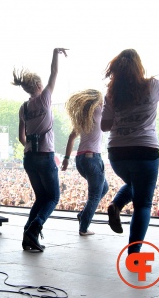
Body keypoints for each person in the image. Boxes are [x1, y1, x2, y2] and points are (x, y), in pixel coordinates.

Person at [100, 48, 159, 255]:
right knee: (143, 204)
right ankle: (134, 254)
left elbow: (104, 126)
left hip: (117, 154)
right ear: (138, 66)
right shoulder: (152, 86)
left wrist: (119, 115)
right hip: (144, 151)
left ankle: (116, 205)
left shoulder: (111, 94)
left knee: (135, 185)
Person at [12, 47, 68, 251]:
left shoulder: (23, 108)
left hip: (29, 157)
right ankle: (34, 229)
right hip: (45, 154)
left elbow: (21, 137)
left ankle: (27, 235)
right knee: (52, 197)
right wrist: (55, 53)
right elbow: (54, 73)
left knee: (40, 197)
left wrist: (29, 146)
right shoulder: (45, 98)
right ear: (37, 85)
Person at [61, 89, 108, 236]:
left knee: (104, 188)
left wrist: (66, 159)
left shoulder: (83, 118)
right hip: (93, 158)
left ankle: (83, 215)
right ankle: (83, 227)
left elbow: (71, 138)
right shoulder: (99, 111)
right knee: (95, 195)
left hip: (80, 159)